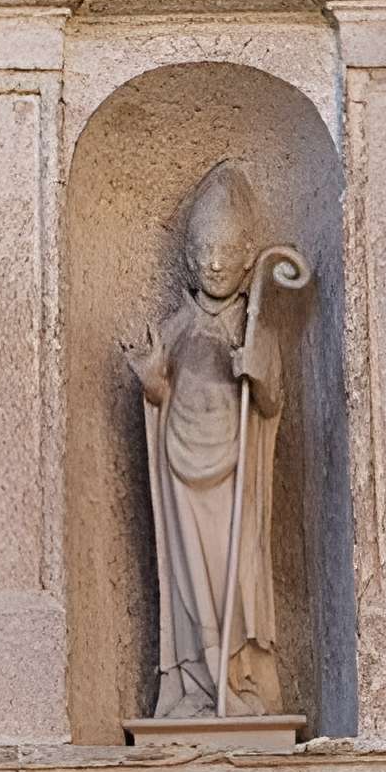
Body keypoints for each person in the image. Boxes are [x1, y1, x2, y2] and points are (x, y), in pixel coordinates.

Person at [125, 161, 286, 719]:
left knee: (233, 572)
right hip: (179, 476)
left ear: (246, 259)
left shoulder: (254, 329)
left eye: (225, 250)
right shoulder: (175, 328)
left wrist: (258, 372)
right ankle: (196, 685)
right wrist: (151, 381)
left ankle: (236, 681)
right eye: (203, 251)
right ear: (189, 259)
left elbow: (270, 405)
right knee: (189, 581)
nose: (215, 262)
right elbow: (157, 392)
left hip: (235, 475)